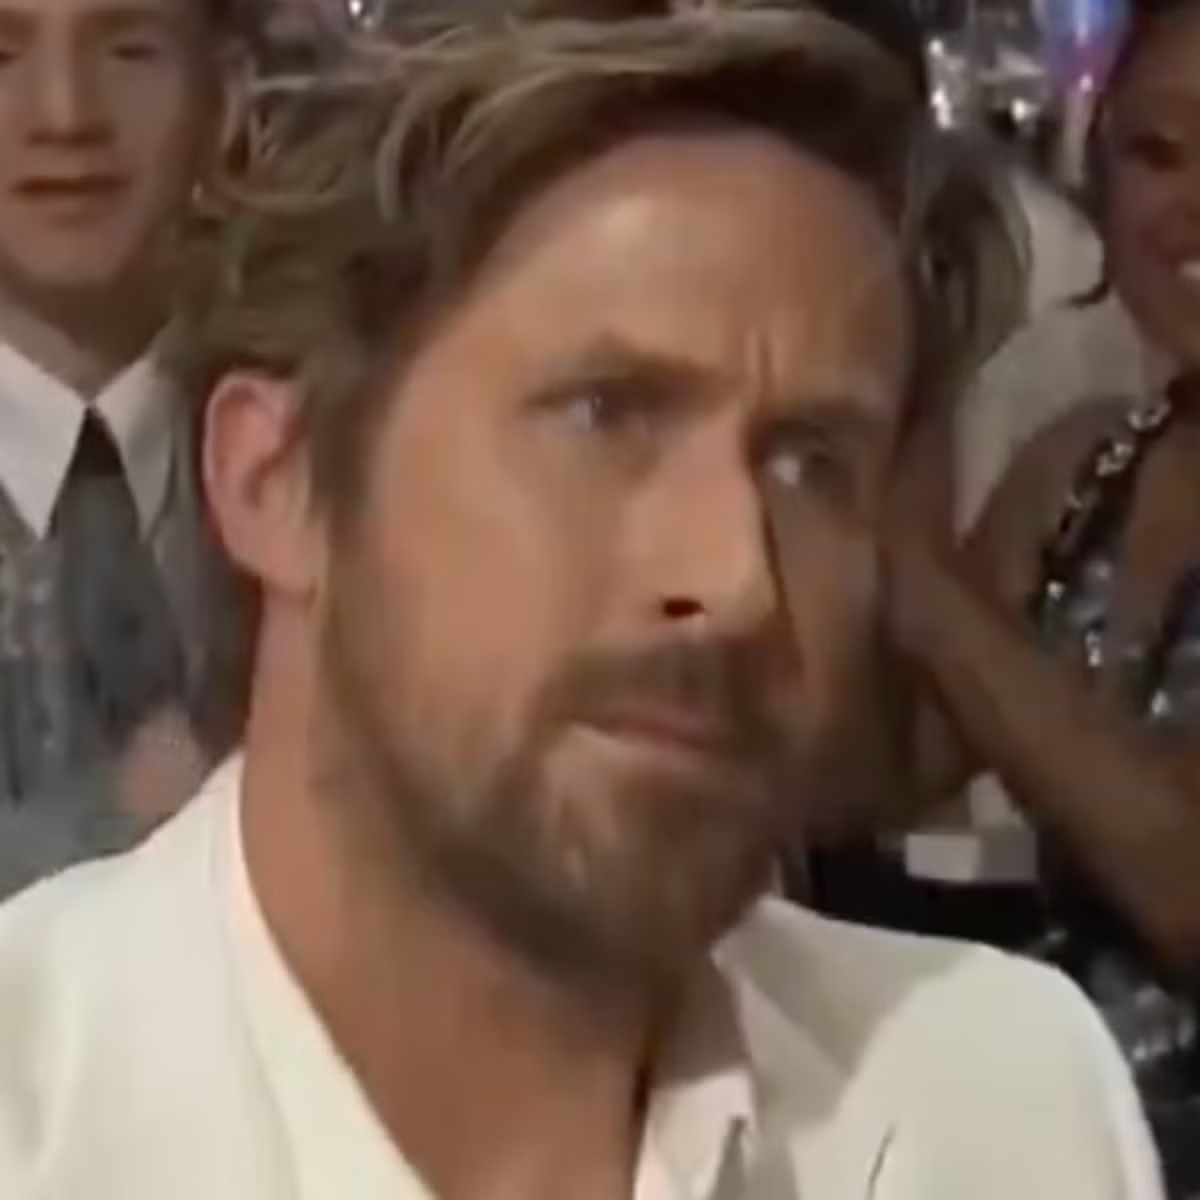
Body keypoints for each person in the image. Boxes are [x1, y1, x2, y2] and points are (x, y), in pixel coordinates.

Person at [0, 3, 1165, 1197]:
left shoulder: (994, 1103)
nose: (737, 579)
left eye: (811, 464)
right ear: (278, 480)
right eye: (608, 414)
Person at [854, 2, 1200, 1192]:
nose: (1191, 207)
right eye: (1159, 153)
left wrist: (919, 590)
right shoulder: (1086, 465)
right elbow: (884, 772)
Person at [0, 0, 251, 895]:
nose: (66, 115)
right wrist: (116, 819)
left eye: (130, 50)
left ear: (225, 99)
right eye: (1, 54)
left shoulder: (345, 461)